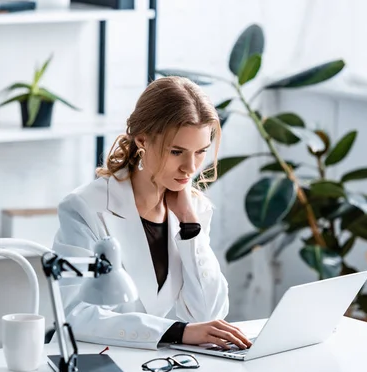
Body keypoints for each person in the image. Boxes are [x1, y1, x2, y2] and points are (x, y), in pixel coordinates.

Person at [52, 76, 251, 351]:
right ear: (142, 140)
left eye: (200, 152)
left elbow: (208, 314)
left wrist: (190, 226)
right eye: (176, 151)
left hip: (150, 367)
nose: (190, 168)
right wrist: (176, 332)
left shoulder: (194, 211)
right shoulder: (84, 208)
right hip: (90, 363)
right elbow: (74, 315)